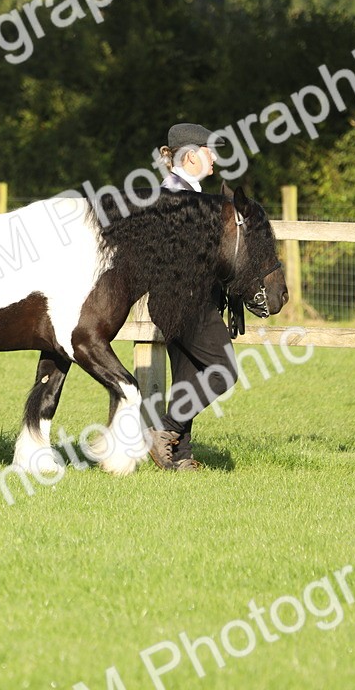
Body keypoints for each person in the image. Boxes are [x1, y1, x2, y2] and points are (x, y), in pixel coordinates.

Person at [149, 122, 240, 471]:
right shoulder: (179, 196)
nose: (214, 157)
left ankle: (180, 456)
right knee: (223, 371)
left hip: (176, 300)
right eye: (208, 151)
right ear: (190, 157)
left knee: (188, 377)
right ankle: (166, 431)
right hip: (186, 300)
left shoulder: (181, 191)